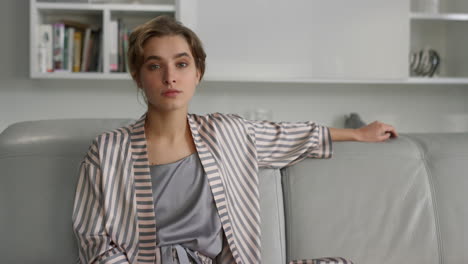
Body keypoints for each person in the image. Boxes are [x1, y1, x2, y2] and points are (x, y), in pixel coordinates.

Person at [72, 15, 398, 264]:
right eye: (155, 65)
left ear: (197, 72)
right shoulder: (107, 151)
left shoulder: (227, 133)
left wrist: (358, 133)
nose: (170, 76)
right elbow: (93, 240)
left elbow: (290, 135)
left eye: (182, 64)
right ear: (138, 77)